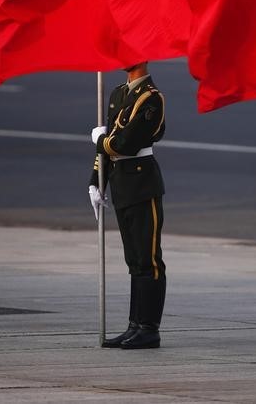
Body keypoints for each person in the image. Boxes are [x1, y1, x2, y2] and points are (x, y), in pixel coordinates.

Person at [89, 62, 167, 349]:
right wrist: (96, 180)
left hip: (142, 184)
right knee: (134, 260)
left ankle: (149, 328)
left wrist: (101, 141)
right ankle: (134, 325)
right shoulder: (118, 93)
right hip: (122, 183)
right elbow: (111, 144)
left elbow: (126, 143)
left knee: (149, 259)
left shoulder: (151, 97)